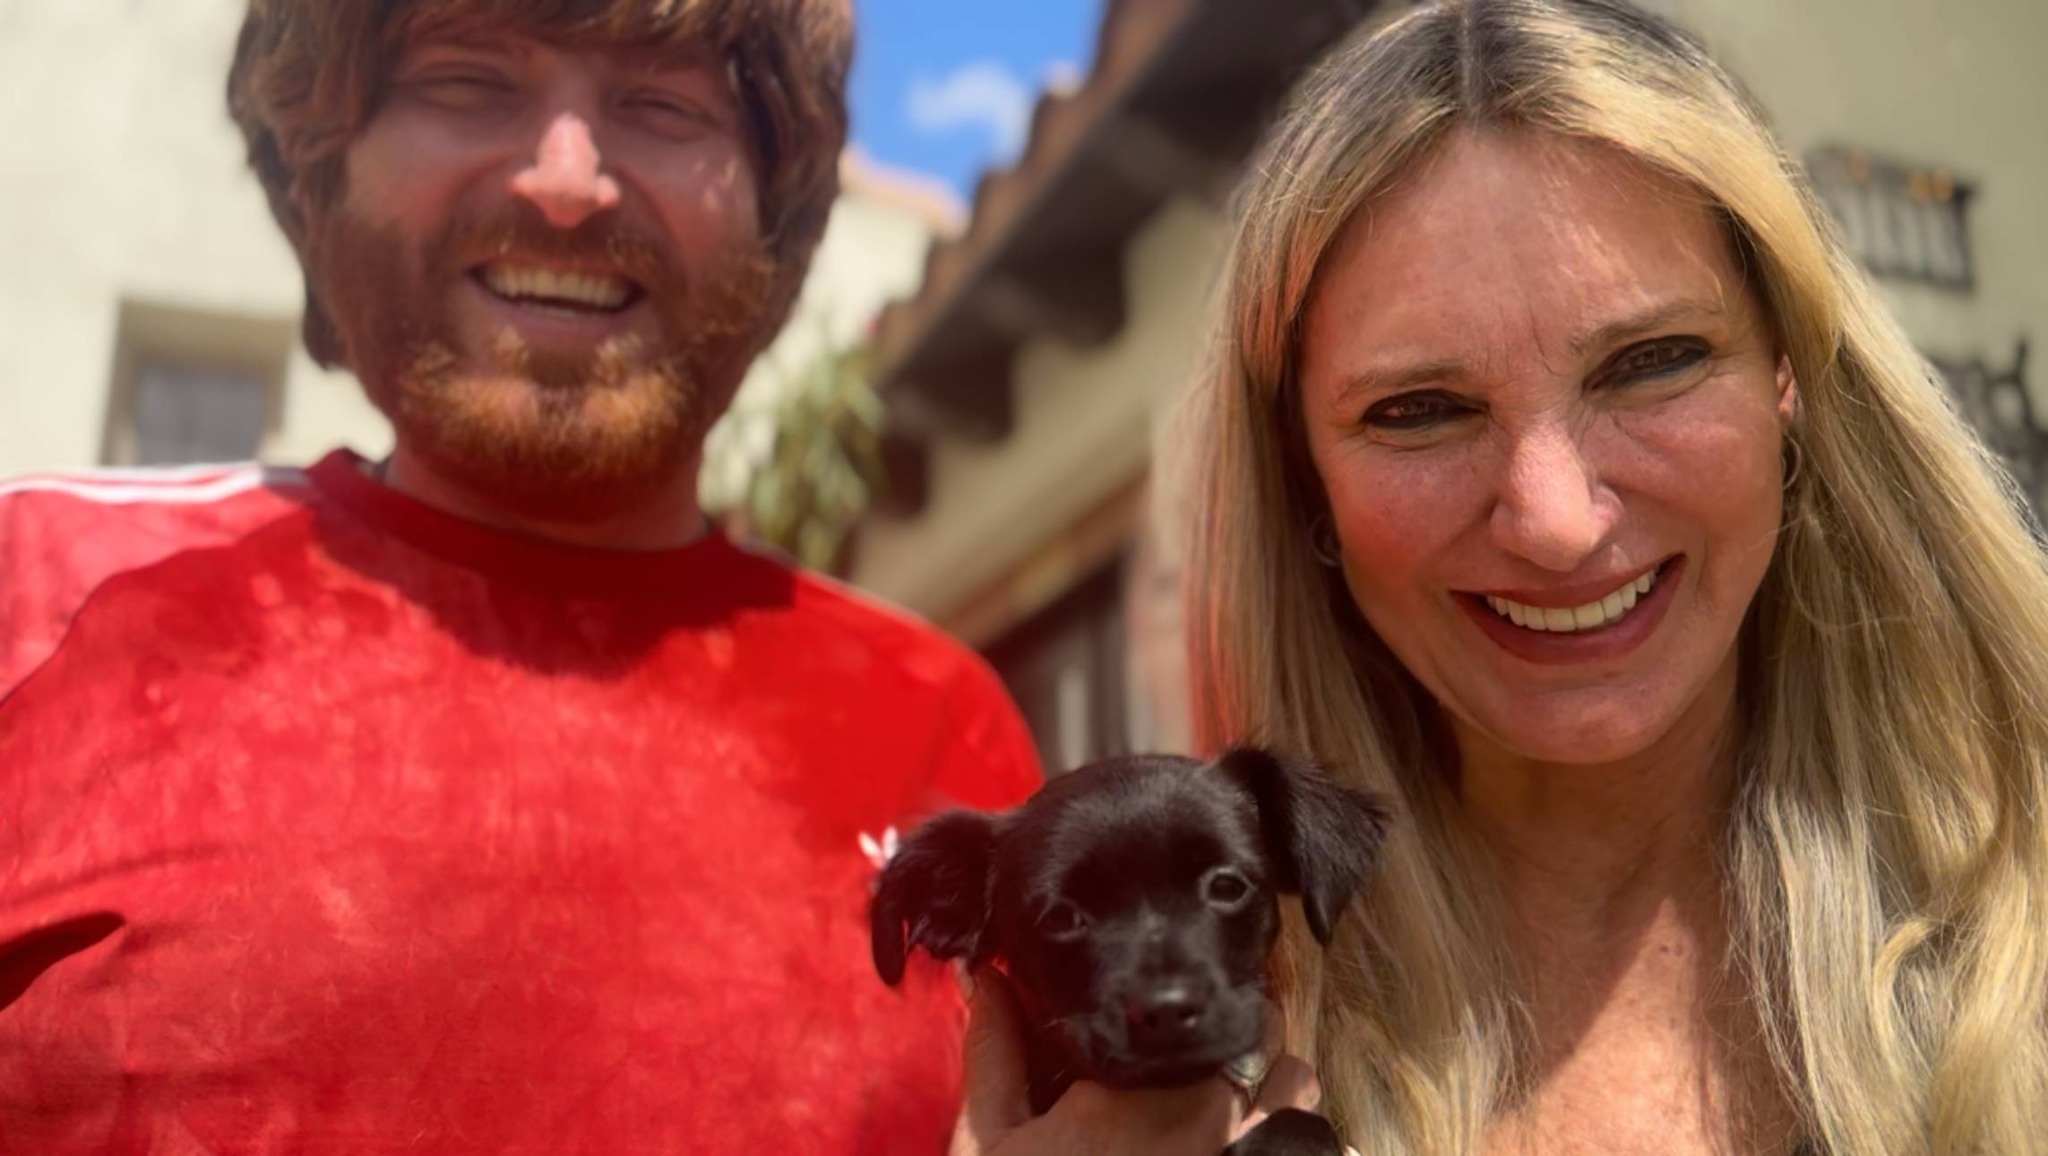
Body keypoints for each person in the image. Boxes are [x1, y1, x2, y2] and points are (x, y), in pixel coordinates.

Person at [952, 1, 2048, 1154]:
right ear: (1303, 481)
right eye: (1418, 410)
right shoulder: (1140, 1052)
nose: (1557, 523)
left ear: (1785, 374)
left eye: (1652, 361)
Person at [0, 2, 1039, 1152]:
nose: (565, 178)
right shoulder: (33, 601)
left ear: (774, 214)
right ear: (316, 172)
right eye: (464, 81)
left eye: (661, 104)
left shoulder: (947, 739)